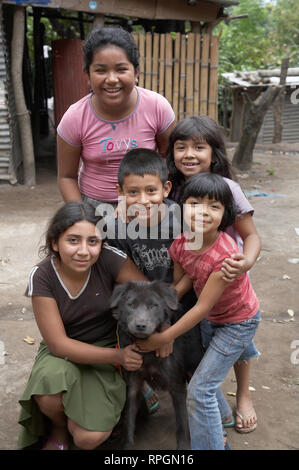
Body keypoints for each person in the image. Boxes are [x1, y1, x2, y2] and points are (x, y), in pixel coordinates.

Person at [136, 173, 261, 450]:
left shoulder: (224, 257)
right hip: (214, 317)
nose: (203, 212)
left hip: (238, 322)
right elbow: (183, 283)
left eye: (213, 207)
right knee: (204, 373)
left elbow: (202, 305)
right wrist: (159, 310)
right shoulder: (181, 244)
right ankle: (224, 416)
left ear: (225, 215)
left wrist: (162, 337)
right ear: (182, 205)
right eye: (195, 203)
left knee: (200, 389)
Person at [17, 201, 148, 450]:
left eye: (93, 241)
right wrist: (119, 356)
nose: (84, 251)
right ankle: (58, 428)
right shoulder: (42, 275)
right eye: (73, 240)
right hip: (64, 353)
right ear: (55, 243)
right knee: (49, 392)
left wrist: (152, 339)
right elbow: (58, 344)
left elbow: (148, 297)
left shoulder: (110, 259)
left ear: (102, 243)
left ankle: (130, 397)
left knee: (88, 439)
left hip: (106, 347)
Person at [166, 115, 261, 433]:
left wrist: (245, 262)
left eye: (199, 147)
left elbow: (251, 236)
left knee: (238, 340)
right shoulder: (173, 187)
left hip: (229, 276)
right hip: (195, 274)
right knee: (211, 343)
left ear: (214, 154)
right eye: (181, 147)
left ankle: (243, 395)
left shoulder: (229, 189)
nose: (189, 154)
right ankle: (213, 403)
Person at [106, 148, 199, 411]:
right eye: (132, 192)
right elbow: (120, 278)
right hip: (139, 301)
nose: (143, 200)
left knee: (190, 353)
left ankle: (198, 398)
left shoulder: (180, 220)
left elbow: (191, 272)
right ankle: (142, 383)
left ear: (166, 189)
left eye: (151, 191)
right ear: (120, 192)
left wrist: (166, 322)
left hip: (178, 297)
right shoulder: (115, 228)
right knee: (134, 339)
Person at [57, 26, 175, 209]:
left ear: (136, 73)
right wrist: (83, 217)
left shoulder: (157, 107)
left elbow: (169, 159)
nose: (112, 79)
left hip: (148, 206)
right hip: (95, 208)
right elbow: (66, 177)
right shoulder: (75, 117)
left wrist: (156, 200)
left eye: (121, 69)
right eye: (101, 71)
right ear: (87, 75)